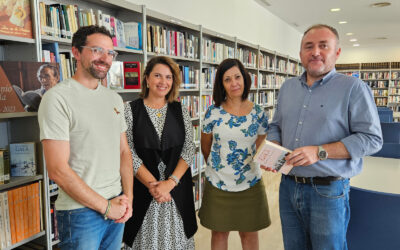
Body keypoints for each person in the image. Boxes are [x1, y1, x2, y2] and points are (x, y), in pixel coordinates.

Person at [265, 24, 383, 250]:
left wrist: (320, 152)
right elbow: (276, 125)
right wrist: (275, 147)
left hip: (328, 192)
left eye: (323, 46)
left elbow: (372, 139)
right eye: (309, 47)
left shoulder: (354, 88)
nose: (315, 52)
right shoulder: (288, 88)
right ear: (300, 54)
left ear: (337, 52)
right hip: (288, 186)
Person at [38, 25, 133, 250]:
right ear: (76, 52)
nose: (105, 58)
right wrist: (106, 207)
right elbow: (58, 169)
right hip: (80, 213)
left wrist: (128, 198)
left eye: (110, 53)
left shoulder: (114, 99)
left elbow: (124, 152)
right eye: (97, 50)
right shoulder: (57, 99)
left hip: (117, 205)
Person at [122, 56, 197, 249]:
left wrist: (170, 183)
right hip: (144, 193)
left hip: (176, 193)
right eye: (157, 75)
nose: (163, 82)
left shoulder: (181, 110)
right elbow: (127, 151)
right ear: (146, 79)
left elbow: (189, 148)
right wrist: (155, 187)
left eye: (168, 77)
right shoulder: (129, 110)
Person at [199, 58, 271, 250]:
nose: (234, 83)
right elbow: (205, 146)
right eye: (227, 79)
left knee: (249, 232)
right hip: (218, 181)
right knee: (219, 232)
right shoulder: (212, 112)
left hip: (250, 181)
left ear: (245, 78)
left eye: (237, 77)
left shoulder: (259, 113)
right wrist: (219, 166)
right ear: (221, 84)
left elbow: (260, 144)